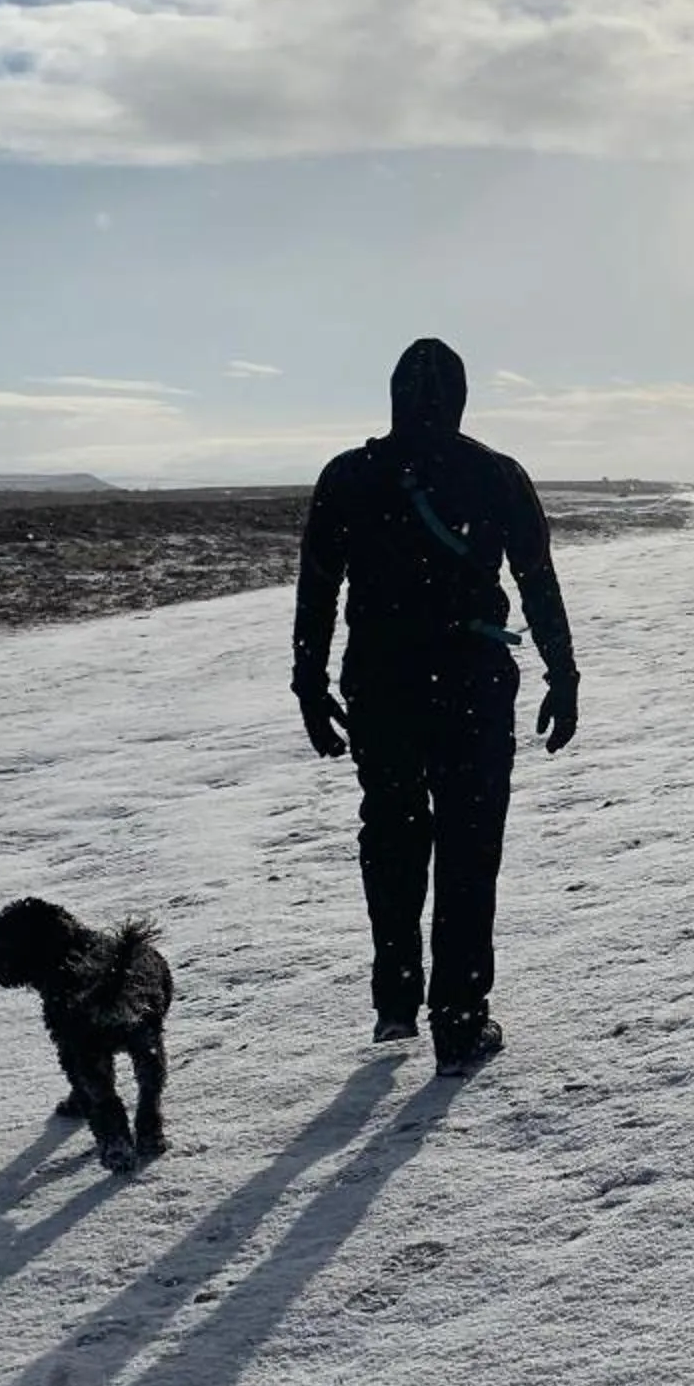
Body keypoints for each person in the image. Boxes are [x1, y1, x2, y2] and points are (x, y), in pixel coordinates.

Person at [291, 337, 579, 1075]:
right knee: (467, 845)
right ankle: (458, 1018)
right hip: (469, 682)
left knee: (392, 830)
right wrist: (562, 672)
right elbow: (538, 579)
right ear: (460, 399)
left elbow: (318, 588)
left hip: (381, 681)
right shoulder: (495, 474)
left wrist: (310, 682)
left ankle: (396, 996)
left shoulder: (350, 475)